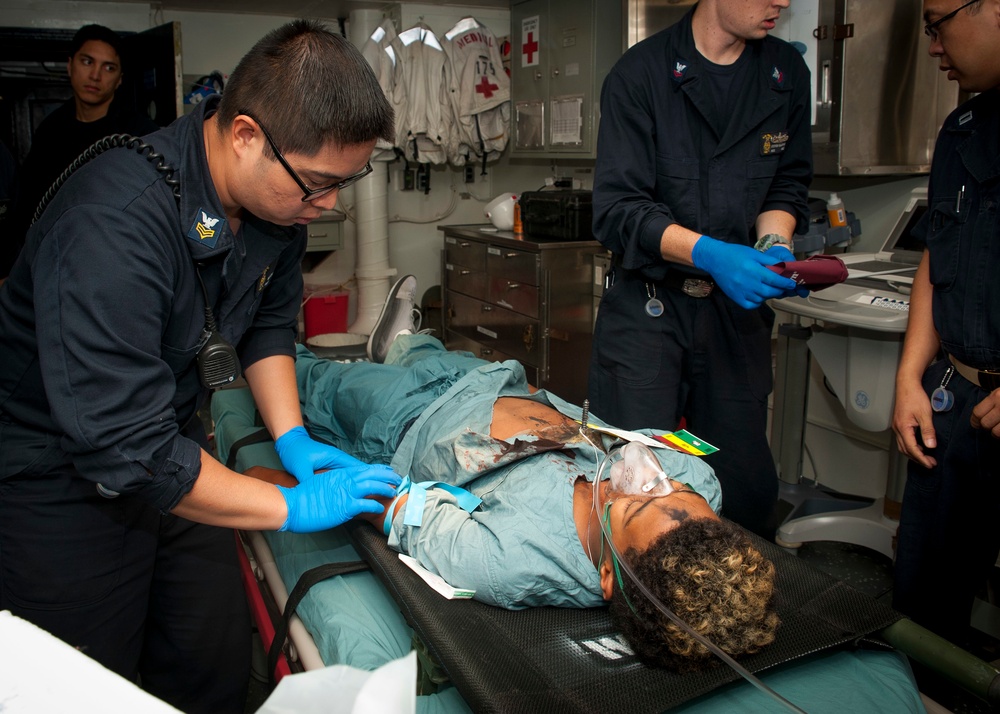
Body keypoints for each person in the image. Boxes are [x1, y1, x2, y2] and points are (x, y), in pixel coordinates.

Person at [0, 21, 400, 714]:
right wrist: (289, 504)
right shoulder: (114, 222)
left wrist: (292, 441)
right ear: (245, 135)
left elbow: (267, 324)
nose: (329, 205)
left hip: (169, 451)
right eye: (317, 183)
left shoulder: (273, 209)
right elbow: (127, 447)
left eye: (345, 183)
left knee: (206, 656)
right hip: (58, 478)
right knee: (92, 684)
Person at [247, 276, 780, 672]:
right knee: (430, 350)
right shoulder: (699, 489)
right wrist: (662, 481)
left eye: (638, 501)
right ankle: (404, 344)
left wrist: (311, 492)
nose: (649, 480)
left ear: (610, 577)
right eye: (673, 488)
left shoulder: (508, 561)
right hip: (501, 382)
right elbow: (677, 474)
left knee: (302, 374)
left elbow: (398, 508)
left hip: (406, 418)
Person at [588, 0, 812, 538]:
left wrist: (773, 240)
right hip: (649, 315)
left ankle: (731, 608)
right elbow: (619, 210)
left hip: (734, 319)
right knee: (637, 481)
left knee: (740, 485)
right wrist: (711, 252)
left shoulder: (785, 73)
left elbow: (787, 181)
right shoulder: (640, 74)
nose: (781, 1)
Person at [891, 0, 1000, 647]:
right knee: (923, 606)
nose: (932, 44)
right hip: (953, 400)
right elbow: (938, 256)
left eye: (938, 21)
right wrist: (910, 377)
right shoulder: (962, 130)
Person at [2, 24, 159, 278]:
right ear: (70, 65)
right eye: (87, 62)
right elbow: (28, 205)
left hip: (116, 260)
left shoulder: (138, 133)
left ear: (119, 79)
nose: (96, 75)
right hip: (53, 261)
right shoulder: (51, 130)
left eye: (108, 68)